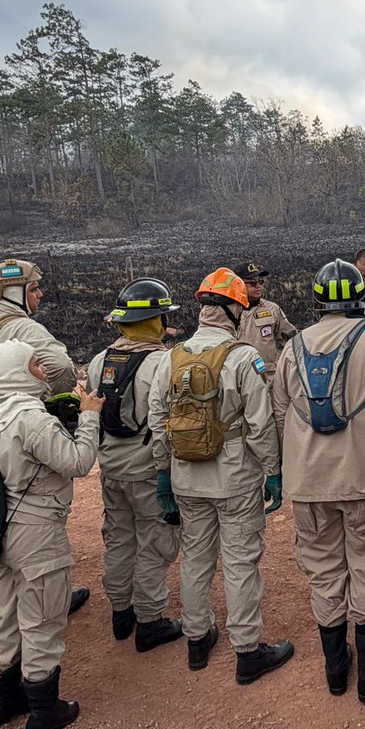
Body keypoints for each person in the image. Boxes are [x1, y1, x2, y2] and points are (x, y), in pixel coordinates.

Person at [272, 258, 365, 703]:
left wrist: (287, 466)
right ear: (361, 296)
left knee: (323, 571)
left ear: (316, 302)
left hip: (308, 484)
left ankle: (336, 669)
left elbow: (279, 410)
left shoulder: (293, 345)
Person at [148, 268, 292, 684]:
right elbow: (260, 424)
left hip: (185, 477)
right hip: (235, 478)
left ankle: (197, 640)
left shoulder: (170, 358)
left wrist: (163, 473)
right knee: (240, 561)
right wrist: (273, 472)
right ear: (233, 309)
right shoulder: (243, 357)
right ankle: (247, 651)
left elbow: (159, 423)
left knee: (195, 558)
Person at [0, 340, 102, 729]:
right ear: (17, 370)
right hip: (36, 532)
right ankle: (45, 709)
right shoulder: (31, 419)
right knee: (42, 618)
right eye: (34, 363)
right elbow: (78, 463)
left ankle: (4, 697)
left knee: (6, 613)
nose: (42, 370)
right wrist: (88, 417)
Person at [86, 279, 183, 651]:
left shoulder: (99, 361)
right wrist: (166, 472)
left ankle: (121, 610)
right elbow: (164, 424)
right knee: (155, 543)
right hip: (147, 471)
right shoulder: (162, 363)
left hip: (111, 469)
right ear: (153, 321)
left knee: (119, 538)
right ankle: (150, 620)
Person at [0, 259, 77, 395]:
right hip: (22, 411)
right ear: (13, 293)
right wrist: (46, 400)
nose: (40, 294)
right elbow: (62, 368)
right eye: (33, 289)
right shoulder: (26, 328)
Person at [233, 261, 296, 380]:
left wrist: (281, 363)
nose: (258, 286)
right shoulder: (228, 311)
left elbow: (292, 340)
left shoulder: (273, 309)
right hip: (237, 377)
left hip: (268, 377)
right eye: (252, 283)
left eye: (261, 281)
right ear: (238, 284)